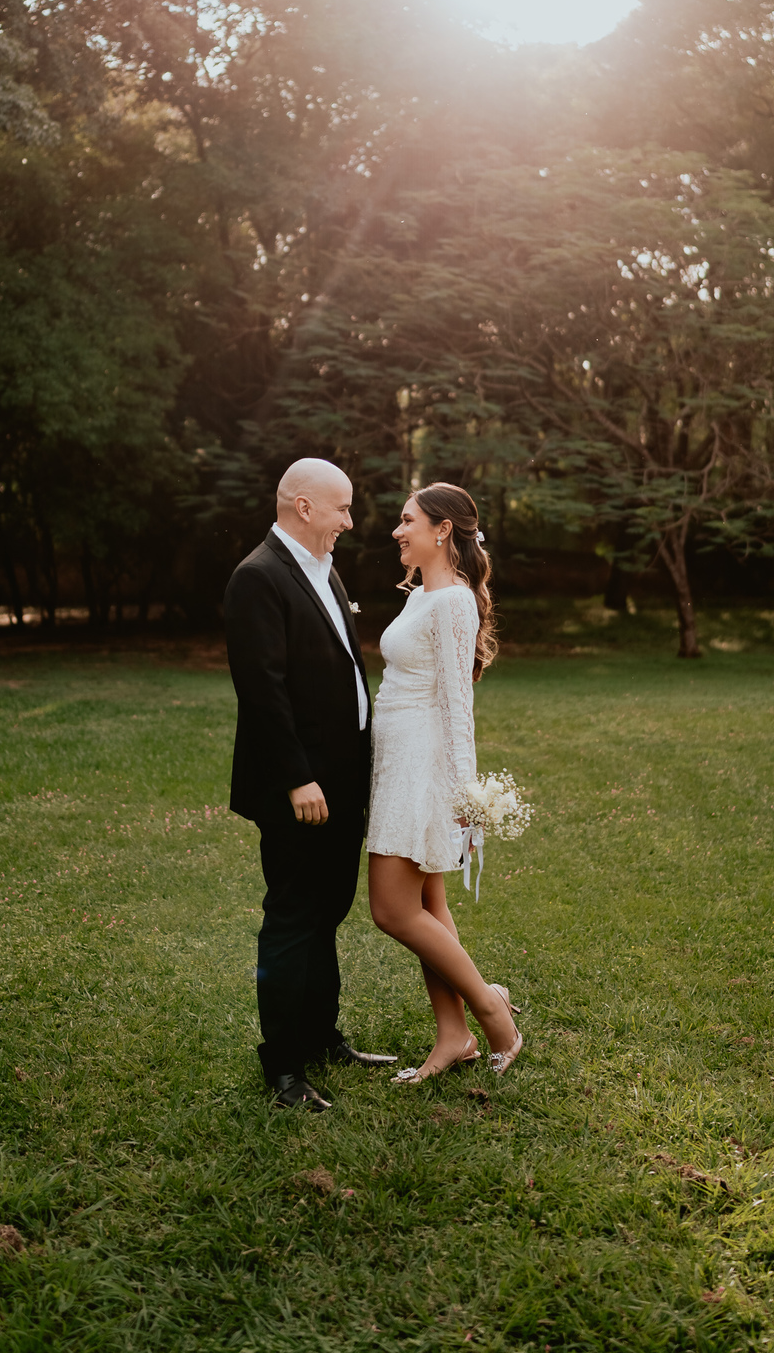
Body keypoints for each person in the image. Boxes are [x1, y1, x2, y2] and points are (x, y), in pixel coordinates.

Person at [224, 457, 396, 1111]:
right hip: (301, 786)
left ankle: (322, 1037)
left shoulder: (324, 568)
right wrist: (298, 778)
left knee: (328, 912)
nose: (349, 521)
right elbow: (261, 691)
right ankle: (284, 1068)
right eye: (342, 508)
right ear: (304, 507)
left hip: (343, 780)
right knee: (294, 916)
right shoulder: (258, 577)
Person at [367, 482, 524, 1083]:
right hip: (396, 761)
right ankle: (454, 1036)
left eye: (407, 520)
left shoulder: (454, 602)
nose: (397, 530)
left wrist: (465, 794)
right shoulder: (420, 597)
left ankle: (493, 1011)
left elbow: (460, 706)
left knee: (392, 910)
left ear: (442, 530)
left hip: (423, 767)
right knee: (429, 902)